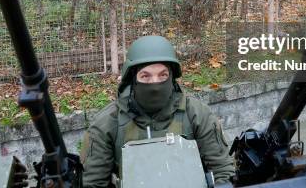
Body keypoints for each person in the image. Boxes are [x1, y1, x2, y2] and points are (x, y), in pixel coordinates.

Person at [80, 35, 235, 187]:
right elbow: (92, 182)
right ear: (133, 79)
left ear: (172, 77)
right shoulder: (107, 123)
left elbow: (223, 170)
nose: (155, 84)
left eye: (163, 75)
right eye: (145, 76)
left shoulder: (196, 114)